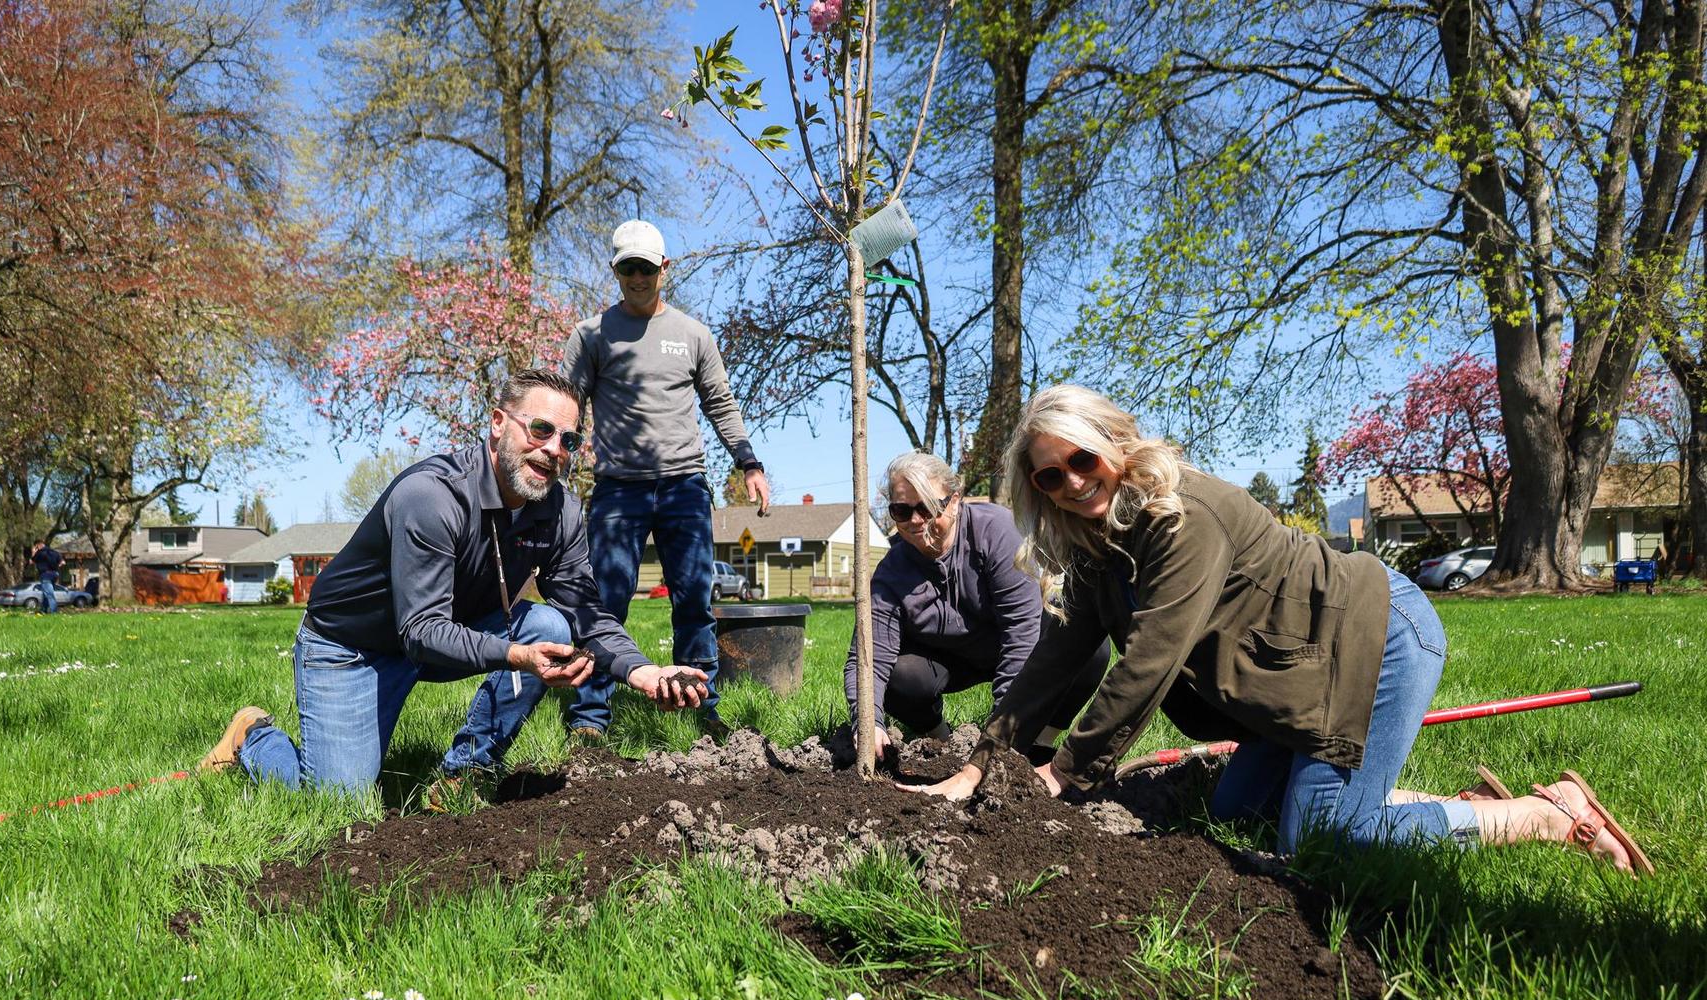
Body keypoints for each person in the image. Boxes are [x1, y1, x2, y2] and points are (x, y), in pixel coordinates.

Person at [904, 385, 1652, 875]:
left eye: (1081, 459)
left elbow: (1151, 661)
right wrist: (983, 762)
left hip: (1370, 640)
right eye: (1048, 476)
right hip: (1286, 679)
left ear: (1117, 446)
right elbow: (1056, 656)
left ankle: (1545, 817)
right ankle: (1425, 805)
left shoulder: (1180, 516)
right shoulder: (1100, 544)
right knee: (1238, 812)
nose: (1071, 481)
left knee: (1322, 844)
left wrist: (1064, 772)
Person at [198, 370, 709, 794]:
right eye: (540, 429)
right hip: (352, 648)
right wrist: (513, 656)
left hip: (447, 635)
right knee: (334, 798)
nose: (554, 449)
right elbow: (420, 628)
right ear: (497, 424)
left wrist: (641, 671)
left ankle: (463, 776)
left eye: (568, 440)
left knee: (548, 623)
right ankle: (254, 738)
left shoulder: (560, 512)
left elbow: (586, 611)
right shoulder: (432, 496)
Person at [561, 219, 772, 743]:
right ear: (616, 270)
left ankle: (699, 707)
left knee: (694, 599)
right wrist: (556, 468)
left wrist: (749, 463)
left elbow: (720, 401)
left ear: (664, 269)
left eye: (646, 268)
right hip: (618, 490)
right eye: (628, 268)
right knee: (605, 600)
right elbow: (568, 406)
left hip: (683, 486)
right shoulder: (590, 336)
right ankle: (590, 716)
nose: (637, 277)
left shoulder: (693, 335)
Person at [846, 452, 1109, 764]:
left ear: (955, 500)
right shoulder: (891, 573)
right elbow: (867, 661)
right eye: (901, 511)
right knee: (898, 675)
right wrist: (867, 723)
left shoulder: (994, 531)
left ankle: (1040, 741)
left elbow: (1021, 635)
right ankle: (942, 743)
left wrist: (1002, 739)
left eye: (928, 507)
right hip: (948, 660)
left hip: (1016, 644)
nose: (916, 521)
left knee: (1089, 643)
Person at [30, 540, 63, 614]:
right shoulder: (55, 552)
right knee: (46, 594)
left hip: (45, 575)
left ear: (37, 546)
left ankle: (54, 612)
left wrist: (33, 552)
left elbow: (31, 561)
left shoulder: (40, 553)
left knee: (49, 594)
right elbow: (62, 562)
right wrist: (55, 567)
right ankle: (43, 610)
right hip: (55, 574)